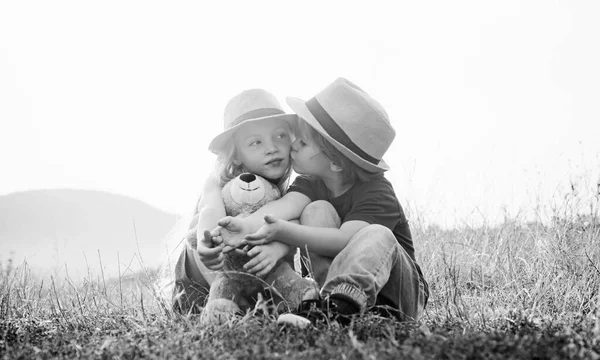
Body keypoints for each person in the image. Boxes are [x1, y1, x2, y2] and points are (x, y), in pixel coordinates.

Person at [210, 78, 429, 324]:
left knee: (377, 234)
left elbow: (343, 241)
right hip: (336, 293)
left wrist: (284, 231)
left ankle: (337, 309)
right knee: (316, 210)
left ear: (335, 162)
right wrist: (248, 226)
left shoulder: (377, 193)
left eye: (303, 142)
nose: (292, 145)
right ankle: (324, 309)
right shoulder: (312, 183)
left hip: (396, 295)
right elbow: (284, 207)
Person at [163, 88, 302, 314]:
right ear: (236, 154)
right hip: (204, 288)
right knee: (198, 223)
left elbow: (295, 225)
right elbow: (211, 211)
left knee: (293, 219)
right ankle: (222, 304)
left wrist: (278, 248)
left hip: (259, 284)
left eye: (279, 136)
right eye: (256, 142)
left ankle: (257, 306)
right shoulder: (217, 182)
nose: (272, 148)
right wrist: (207, 241)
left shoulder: (288, 194)